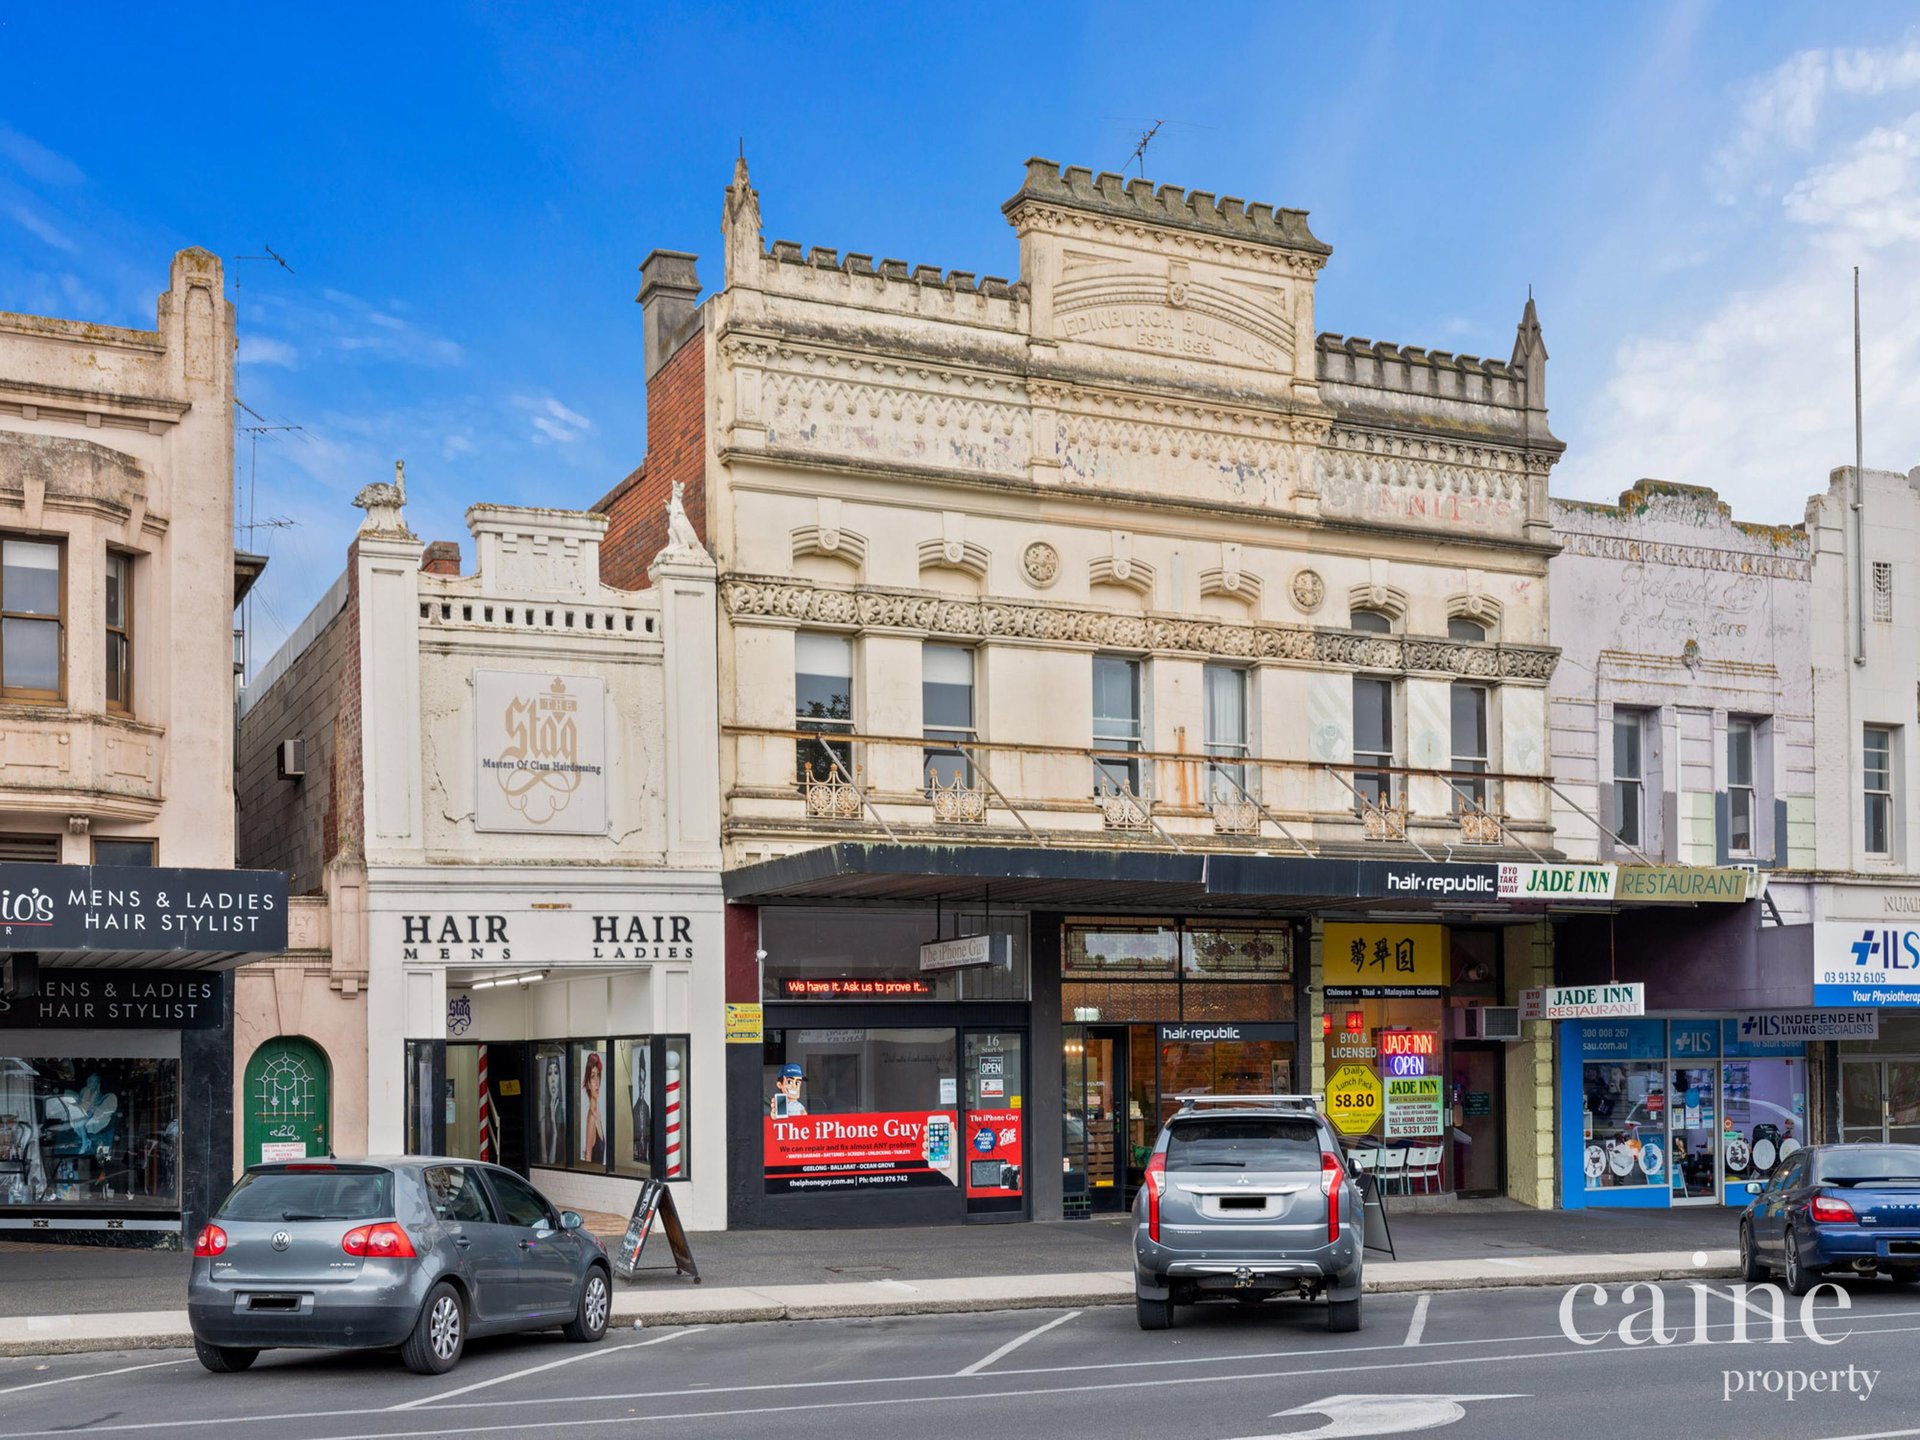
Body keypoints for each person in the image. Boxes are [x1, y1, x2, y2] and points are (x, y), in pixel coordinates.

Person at [580, 1052, 606, 1165]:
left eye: (598, 1075)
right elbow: (588, 1156)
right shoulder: (591, 1117)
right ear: (588, 1083)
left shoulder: (597, 1113)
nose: (597, 1082)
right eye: (592, 1076)